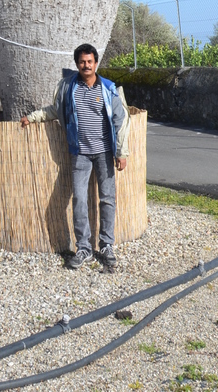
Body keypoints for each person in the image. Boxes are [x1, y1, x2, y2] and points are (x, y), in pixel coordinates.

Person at [20, 43, 130, 269]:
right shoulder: (68, 87)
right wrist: (32, 117)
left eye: (90, 61)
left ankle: (107, 245)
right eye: (82, 62)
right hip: (79, 153)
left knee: (107, 198)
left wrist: (121, 152)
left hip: (104, 152)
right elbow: (55, 110)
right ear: (77, 64)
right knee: (79, 199)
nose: (86, 65)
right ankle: (84, 248)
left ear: (96, 63)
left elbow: (121, 120)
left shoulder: (107, 89)